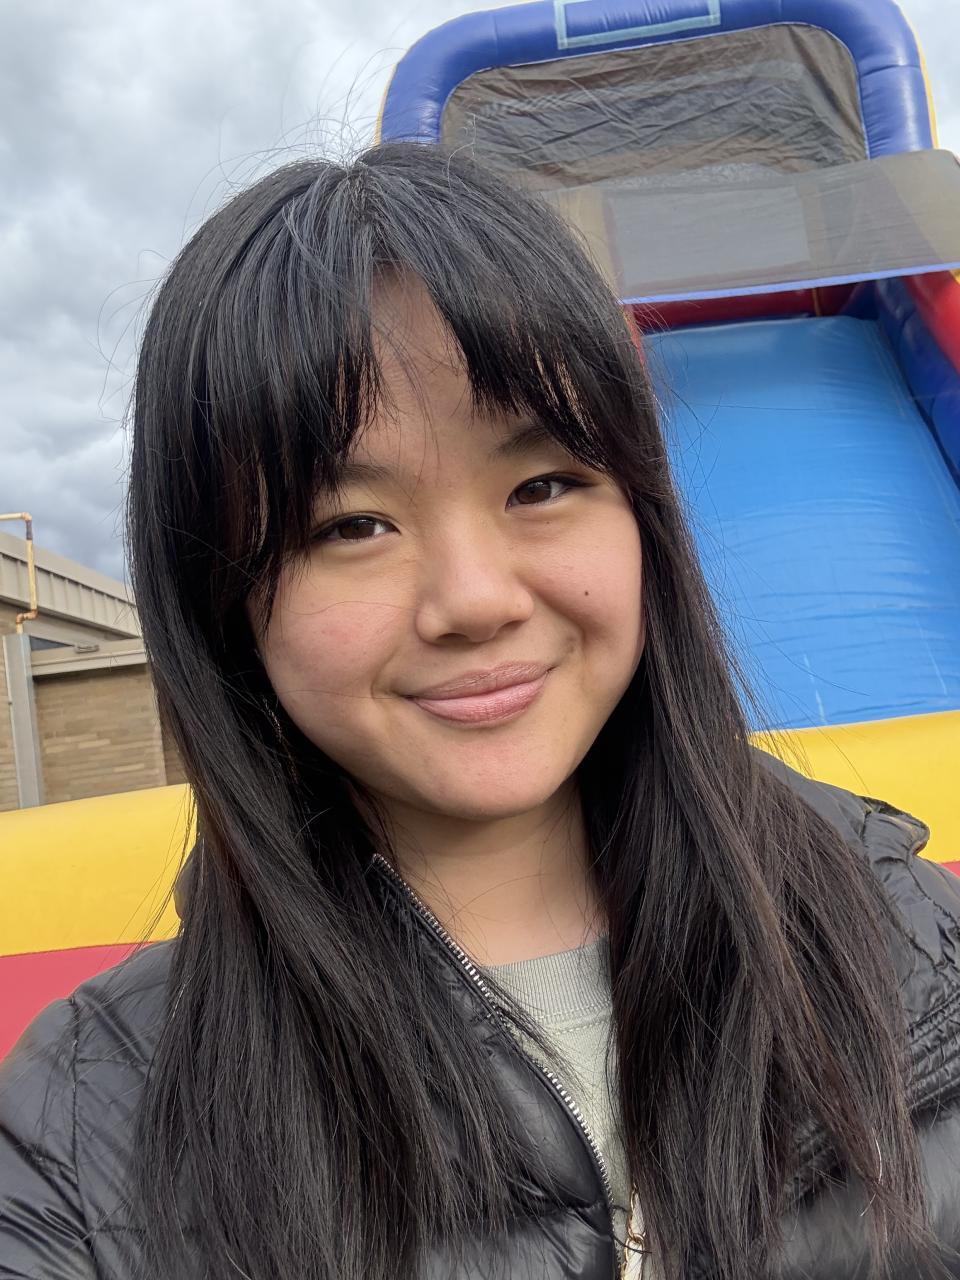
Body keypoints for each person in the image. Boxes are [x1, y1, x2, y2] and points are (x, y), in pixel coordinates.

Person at [1, 142, 959, 1280]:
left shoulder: (916, 942)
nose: (475, 599)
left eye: (543, 484)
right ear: (223, 601)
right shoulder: (85, 1130)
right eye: (351, 525)